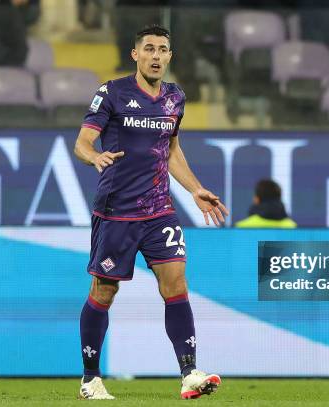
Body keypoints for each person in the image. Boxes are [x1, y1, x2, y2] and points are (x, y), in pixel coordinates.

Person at [73, 24, 228, 400]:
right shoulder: (112, 93)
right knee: (104, 292)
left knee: (176, 285)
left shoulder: (175, 98)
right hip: (117, 212)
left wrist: (195, 189)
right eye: (150, 49)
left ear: (170, 57)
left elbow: (170, 149)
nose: (156, 56)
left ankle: (189, 373)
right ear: (135, 54)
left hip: (160, 211)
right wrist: (95, 156)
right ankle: (90, 379)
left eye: (163, 50)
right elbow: (82, 141)